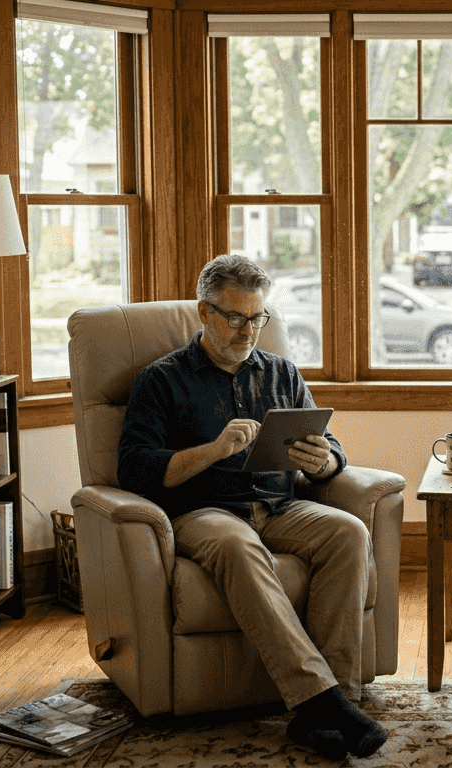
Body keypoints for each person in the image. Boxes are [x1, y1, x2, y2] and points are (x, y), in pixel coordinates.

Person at [118, 254, 386, 759]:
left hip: (281, 506)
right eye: (235, 317)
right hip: (206, 512)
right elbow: (135, 470)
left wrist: (323, 461)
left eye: (257, 318)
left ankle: (331, 708)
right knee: (239, 547)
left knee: (348, 531)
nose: (248, 330)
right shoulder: (163, 380)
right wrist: (214, 450)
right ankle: (325, 700)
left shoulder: (281, 372)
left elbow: (330, 446)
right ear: (204, 311)